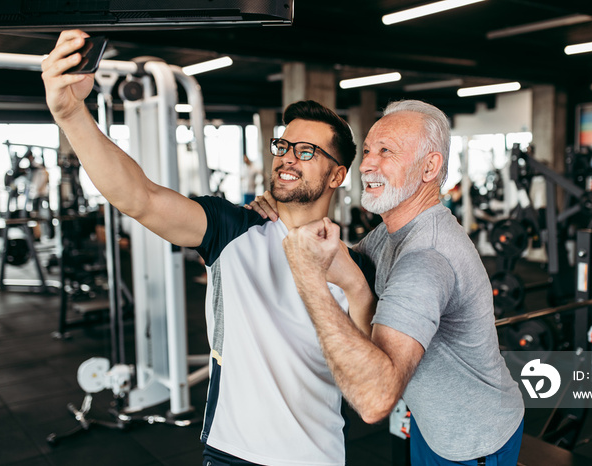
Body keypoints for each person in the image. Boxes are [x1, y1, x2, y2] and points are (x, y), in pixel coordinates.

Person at [41, 30, 376, 466]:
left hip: (317, 457)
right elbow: (139, 197)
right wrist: (71, 114)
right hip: (230, 453)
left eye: (307, 151)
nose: (288, 157)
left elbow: (368, 387)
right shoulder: (230, 228)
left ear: (337, 176)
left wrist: (356, 288)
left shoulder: (356, 267)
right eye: (284, 145)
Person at [251, 100, 525, 465]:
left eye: (386, 151)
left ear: (429, 167)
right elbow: (338, 261)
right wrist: (281, 208)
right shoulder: (391, 233)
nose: (366, 164)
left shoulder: (426, 260)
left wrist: (310, 281)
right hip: (433, 425)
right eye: (367, 150)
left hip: (474, 441)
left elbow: (374, 400)